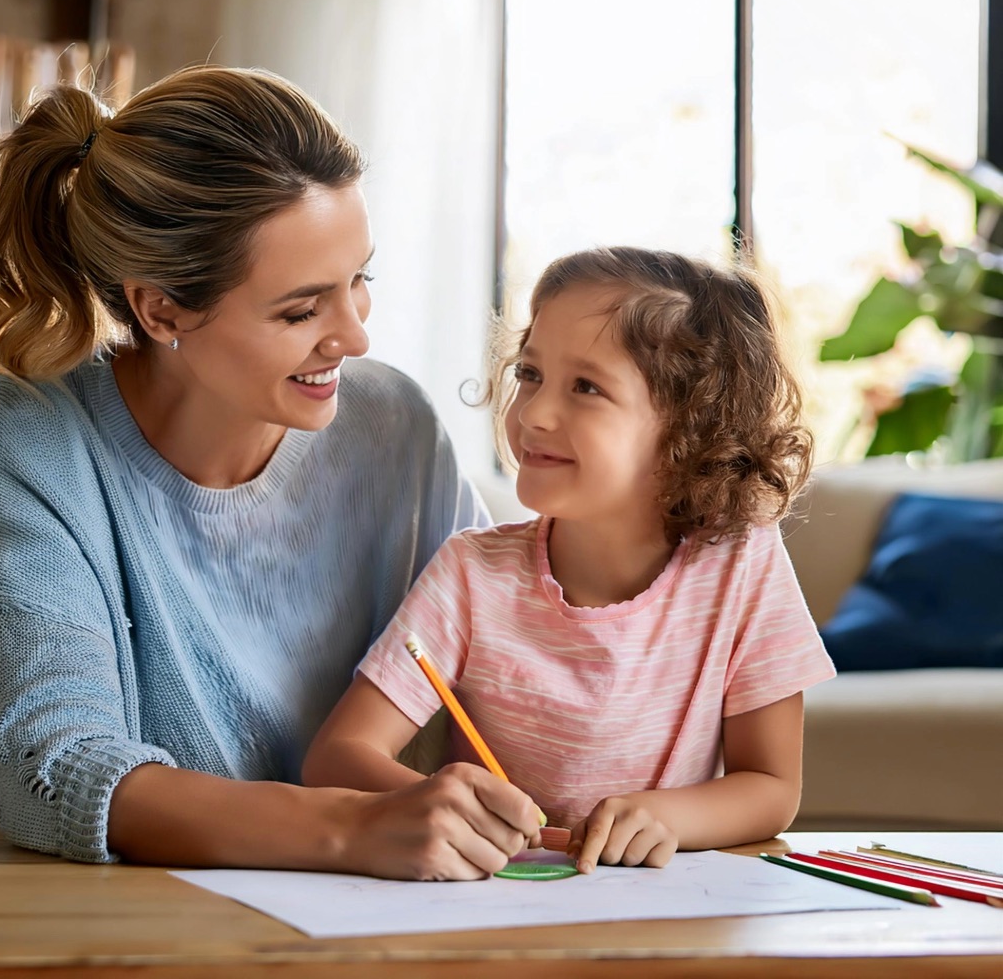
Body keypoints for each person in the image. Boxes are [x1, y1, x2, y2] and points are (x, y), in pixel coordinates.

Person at [0, 65, 544, 879]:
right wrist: (350, 831)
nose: (354, 337)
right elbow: (53, 768)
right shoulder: (42, 433)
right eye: (301, 309)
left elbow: (516, 662)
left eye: (362, 281)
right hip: (27, 889)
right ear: (161, 310)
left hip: (311, 905)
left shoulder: (395, 425)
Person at [303, 246, 836, 874]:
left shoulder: (742, 562)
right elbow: (336, 757)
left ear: (690, 432)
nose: (534, 413)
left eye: (586, 387)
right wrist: (439, 803)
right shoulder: (471, 574)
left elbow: (772, 786)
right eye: (530, 374)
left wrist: (665, 817)